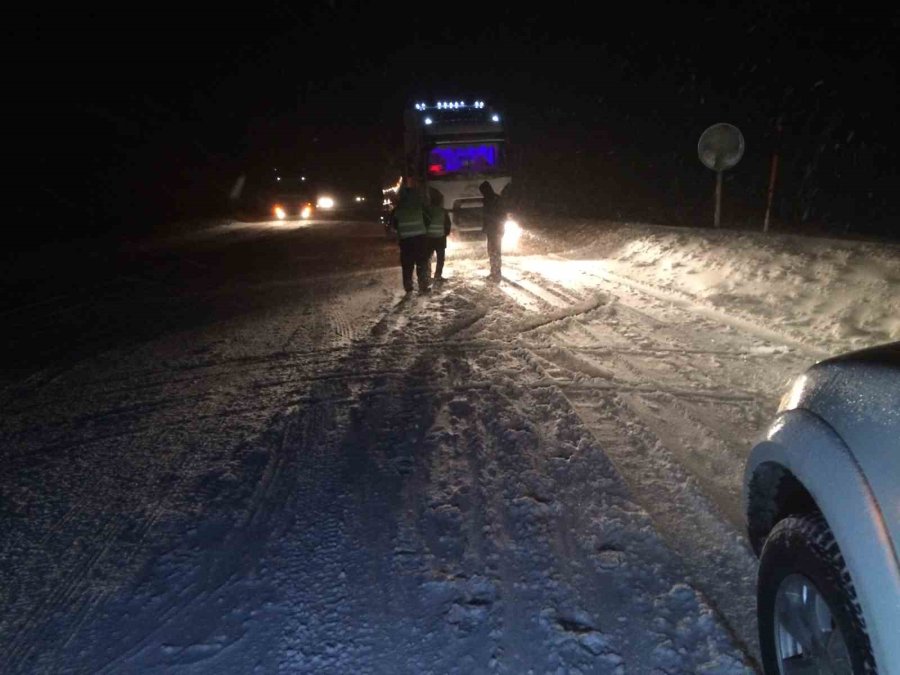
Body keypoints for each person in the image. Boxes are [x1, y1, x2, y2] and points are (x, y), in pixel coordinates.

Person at [390, 186, 431, 294]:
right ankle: (423, 285)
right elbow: (428, 220)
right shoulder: (419, 207)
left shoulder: (397, 210)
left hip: (406, 241)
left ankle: (408, 285)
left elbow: (393, 226)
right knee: (422, 262)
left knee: (407, 264)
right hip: (420, 239)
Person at [424, 189, 452, 284]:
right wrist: (446, 233)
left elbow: (424, 222)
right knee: (440, 259)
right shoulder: (443, 211)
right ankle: (438, 276)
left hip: (429, 238)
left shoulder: (427, 210)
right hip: (440, 238)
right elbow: (448, 224)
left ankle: (427, 276)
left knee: (428, 257)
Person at [479, 180, 505, 281]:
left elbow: (488, 216)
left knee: (494, 251)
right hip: (496, 229)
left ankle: (496, 273)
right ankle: (495, 272)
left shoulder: (488, 200)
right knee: (495, 251)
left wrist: (485, 228)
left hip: (493, 230)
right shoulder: (496, 199)